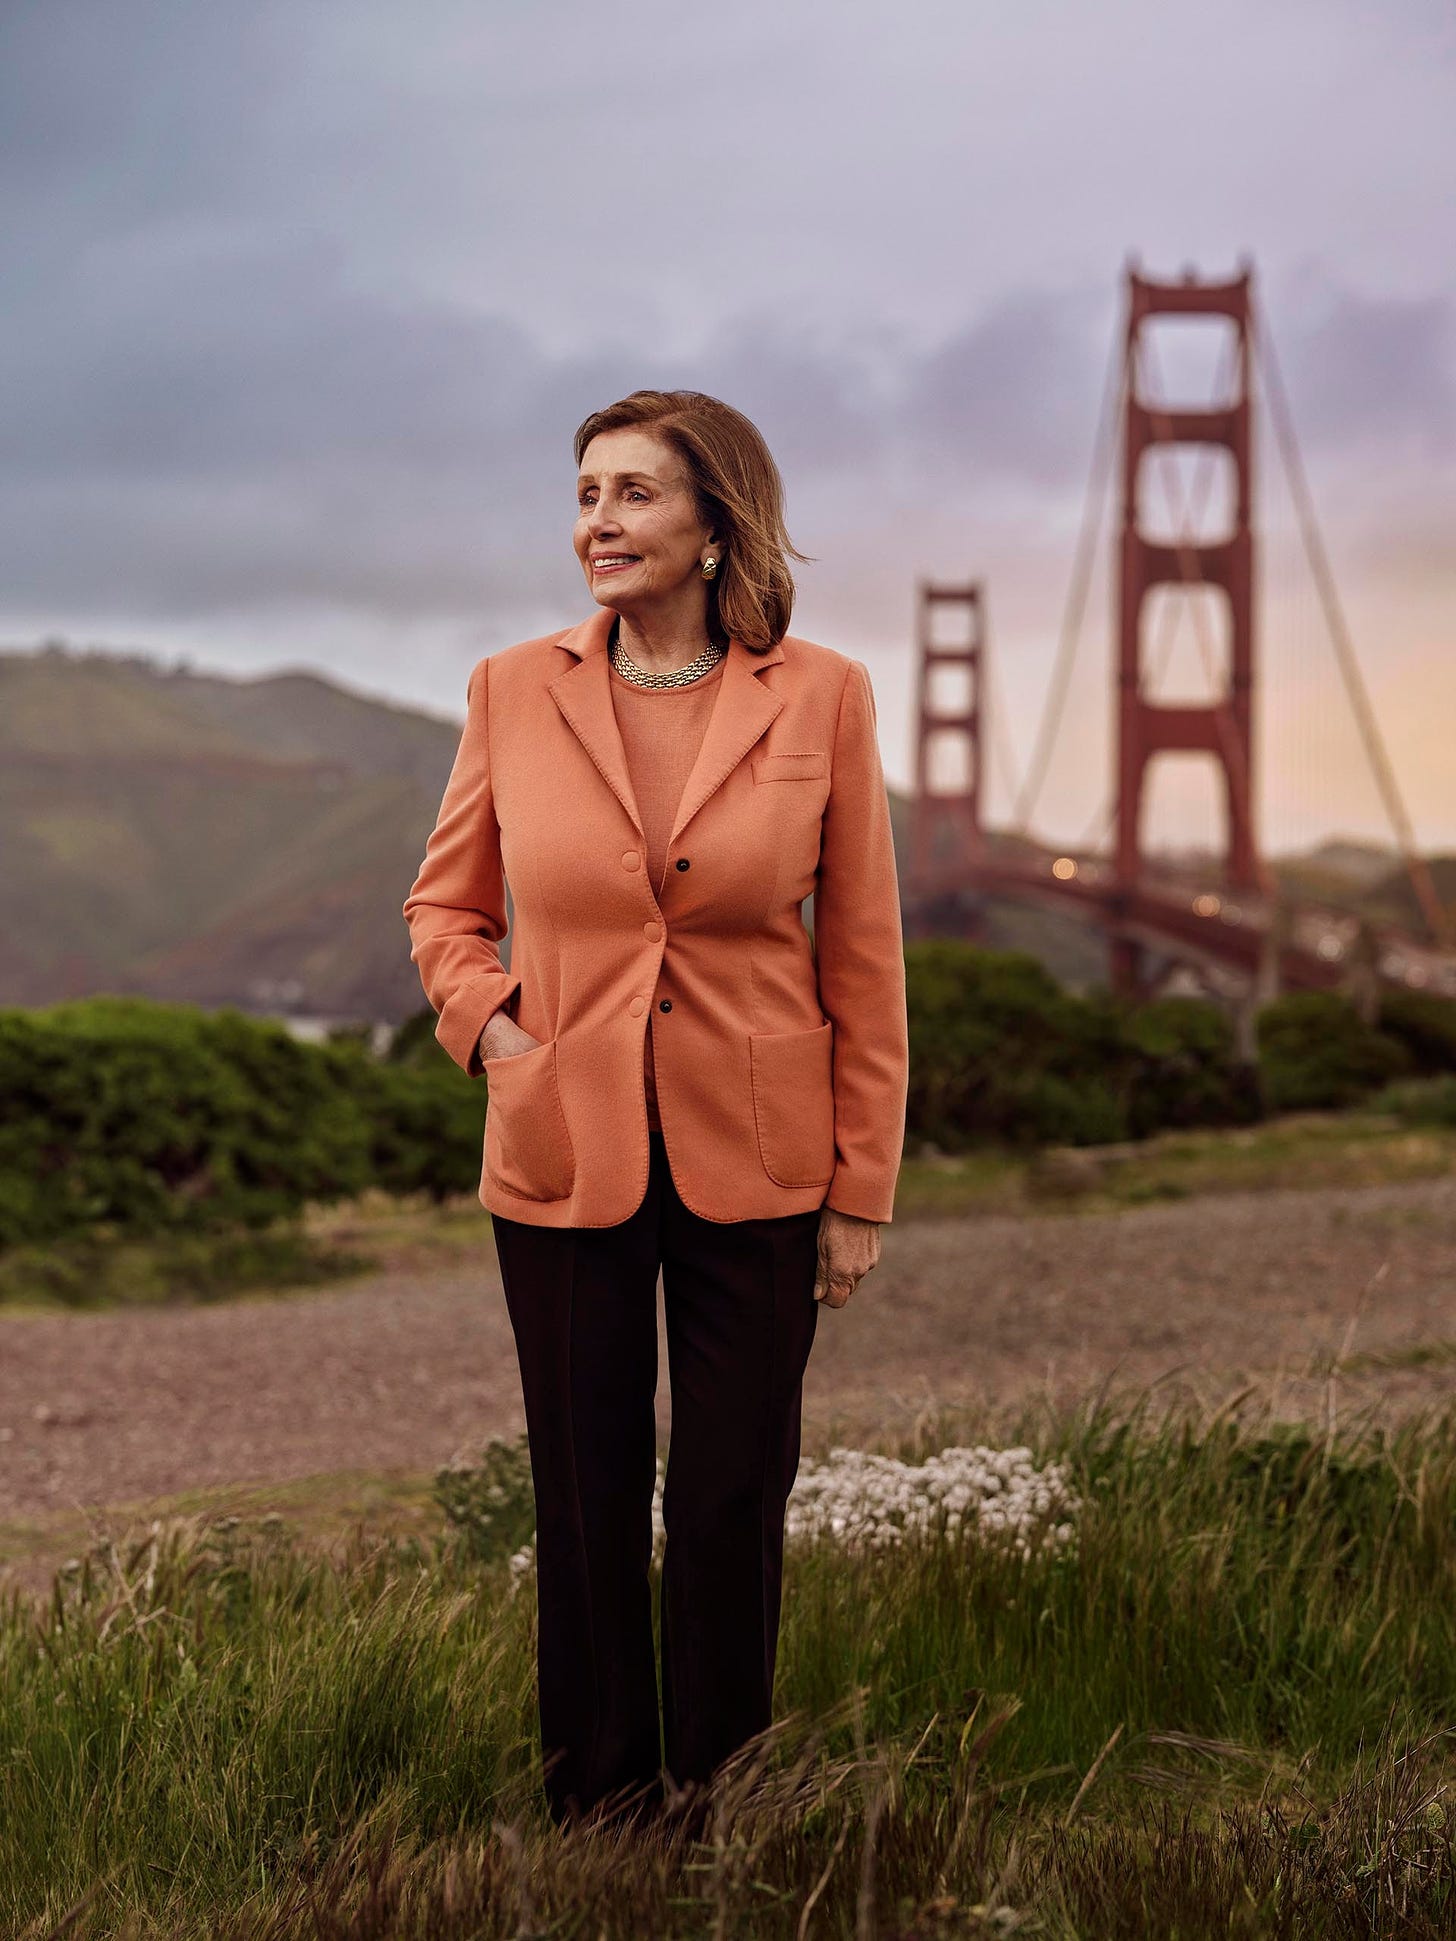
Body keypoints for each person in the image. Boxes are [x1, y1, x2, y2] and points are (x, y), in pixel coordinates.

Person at [402, 388, 908, 1833]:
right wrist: (493, 1032)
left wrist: (860, 1186)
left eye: (632, 494)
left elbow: (861, 955)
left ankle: (724, 1798)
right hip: (563, 1145)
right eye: (584, 496)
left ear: (712, 524)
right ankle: (603, 1813)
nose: (597, 523)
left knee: (734, 1495)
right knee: (584, 1495)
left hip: (761, 1151)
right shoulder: (512, 686)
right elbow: (446, 904)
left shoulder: (823, 695)